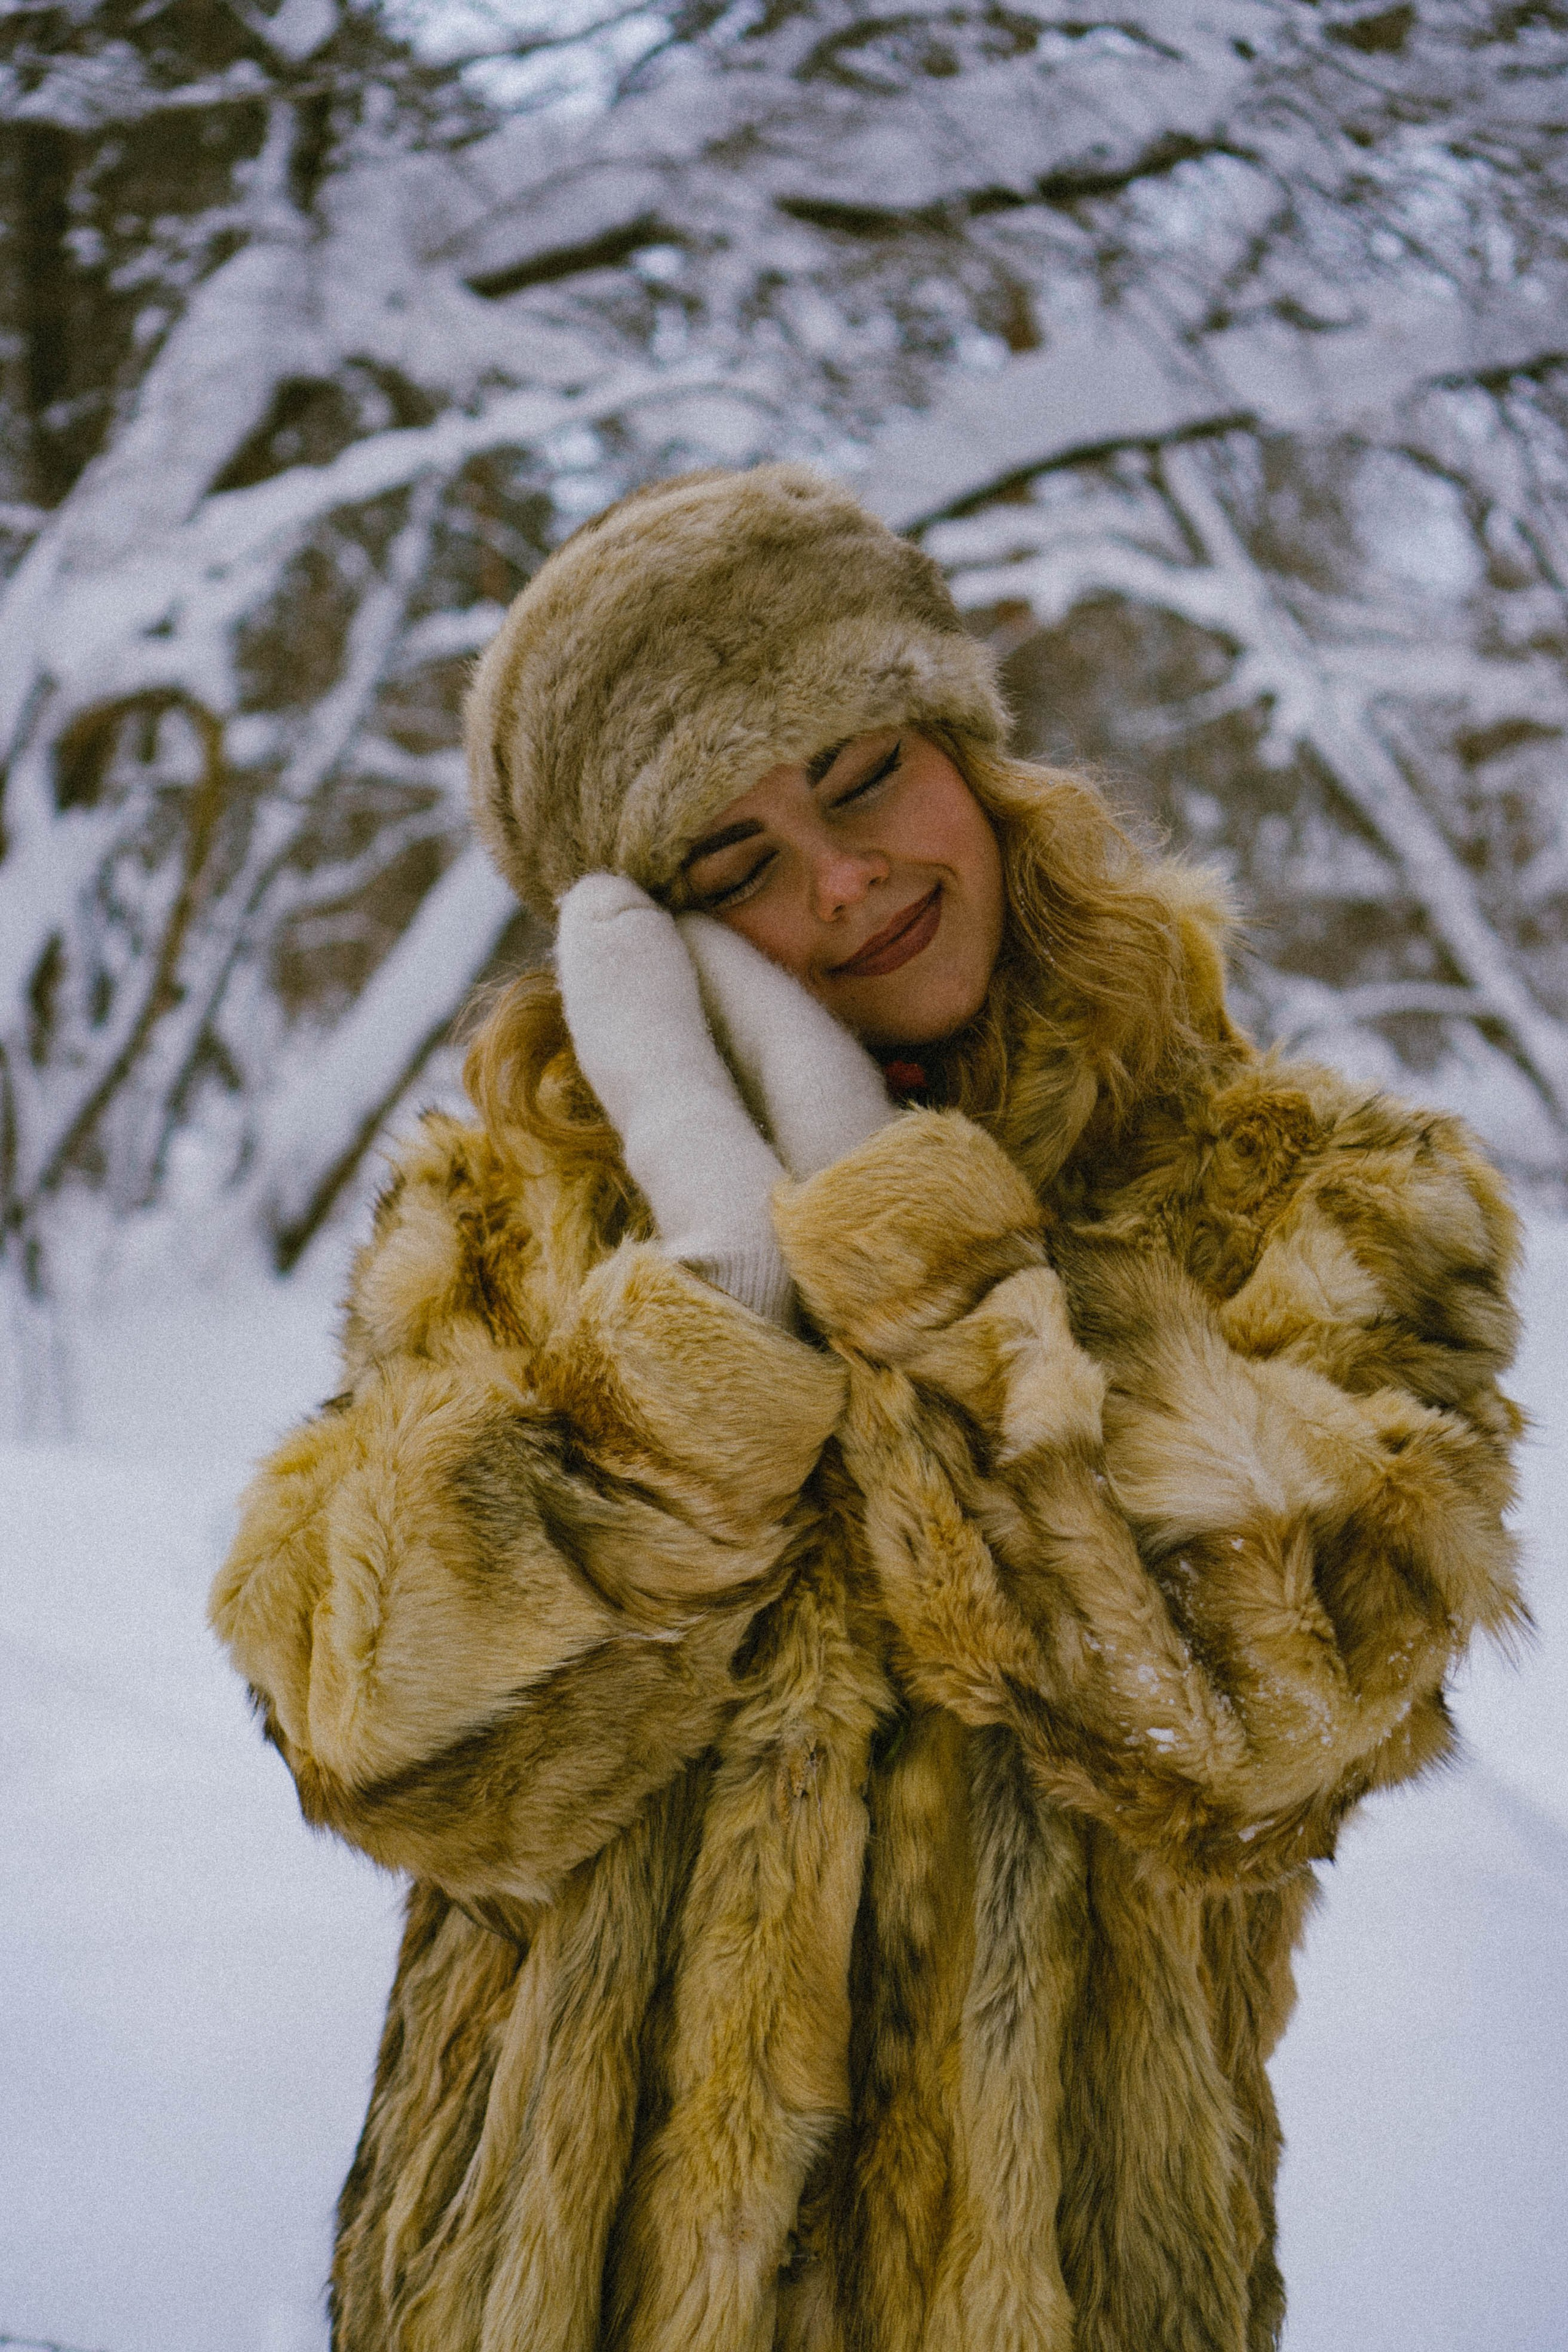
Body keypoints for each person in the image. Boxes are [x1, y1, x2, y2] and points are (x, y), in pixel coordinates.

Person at [211, 465, 1525, 2352]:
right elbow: (377, 1743)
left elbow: (1256, 1717)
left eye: (861, 777)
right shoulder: (506, 1222)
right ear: (644, 938)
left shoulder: (1313, 1199)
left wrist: (919, 1259)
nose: (842, 882)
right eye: (730, 865)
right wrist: (704, 1326)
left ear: (972, 759)